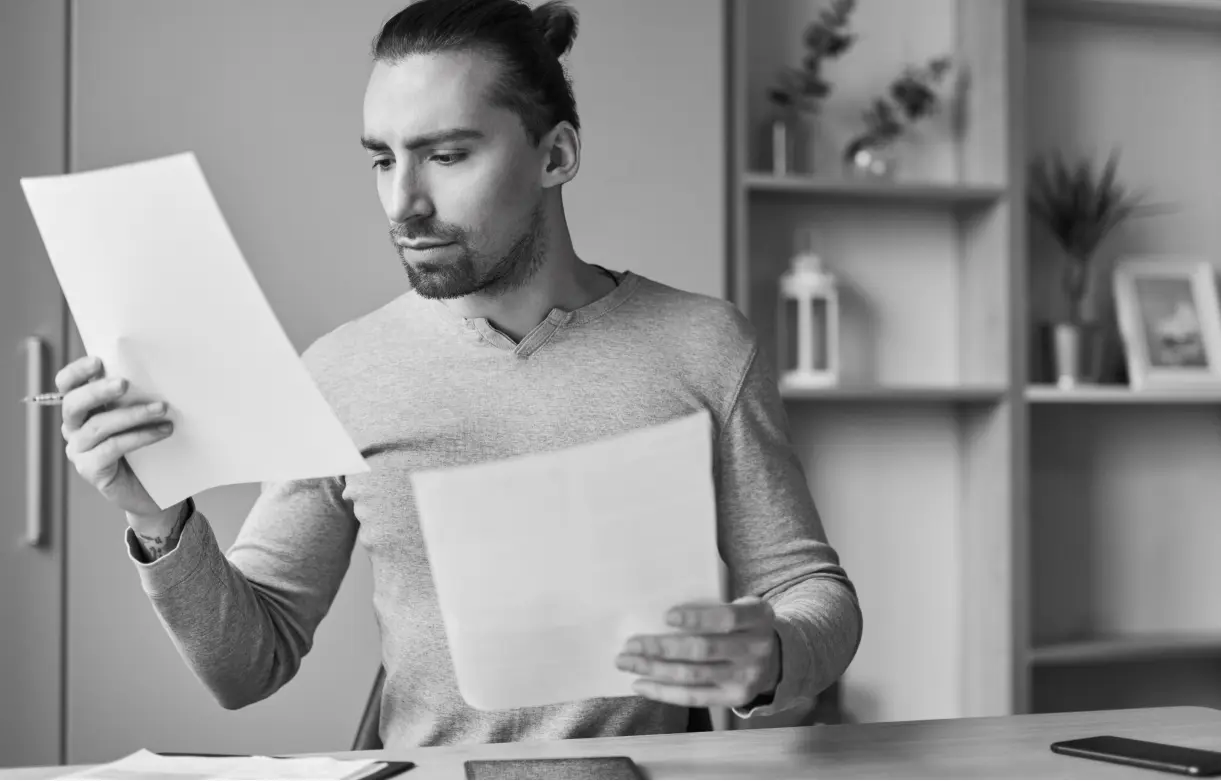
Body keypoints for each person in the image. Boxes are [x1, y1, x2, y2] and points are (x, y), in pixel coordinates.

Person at [53, 0, 862, 749]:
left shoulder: (704, 345)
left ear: (556, 153)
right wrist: (159, 519)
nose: (402, 202)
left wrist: (774, 652)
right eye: (381, 160)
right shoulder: (343, 372)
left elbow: (811, 590)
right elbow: (246, 665)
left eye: (444, 155)